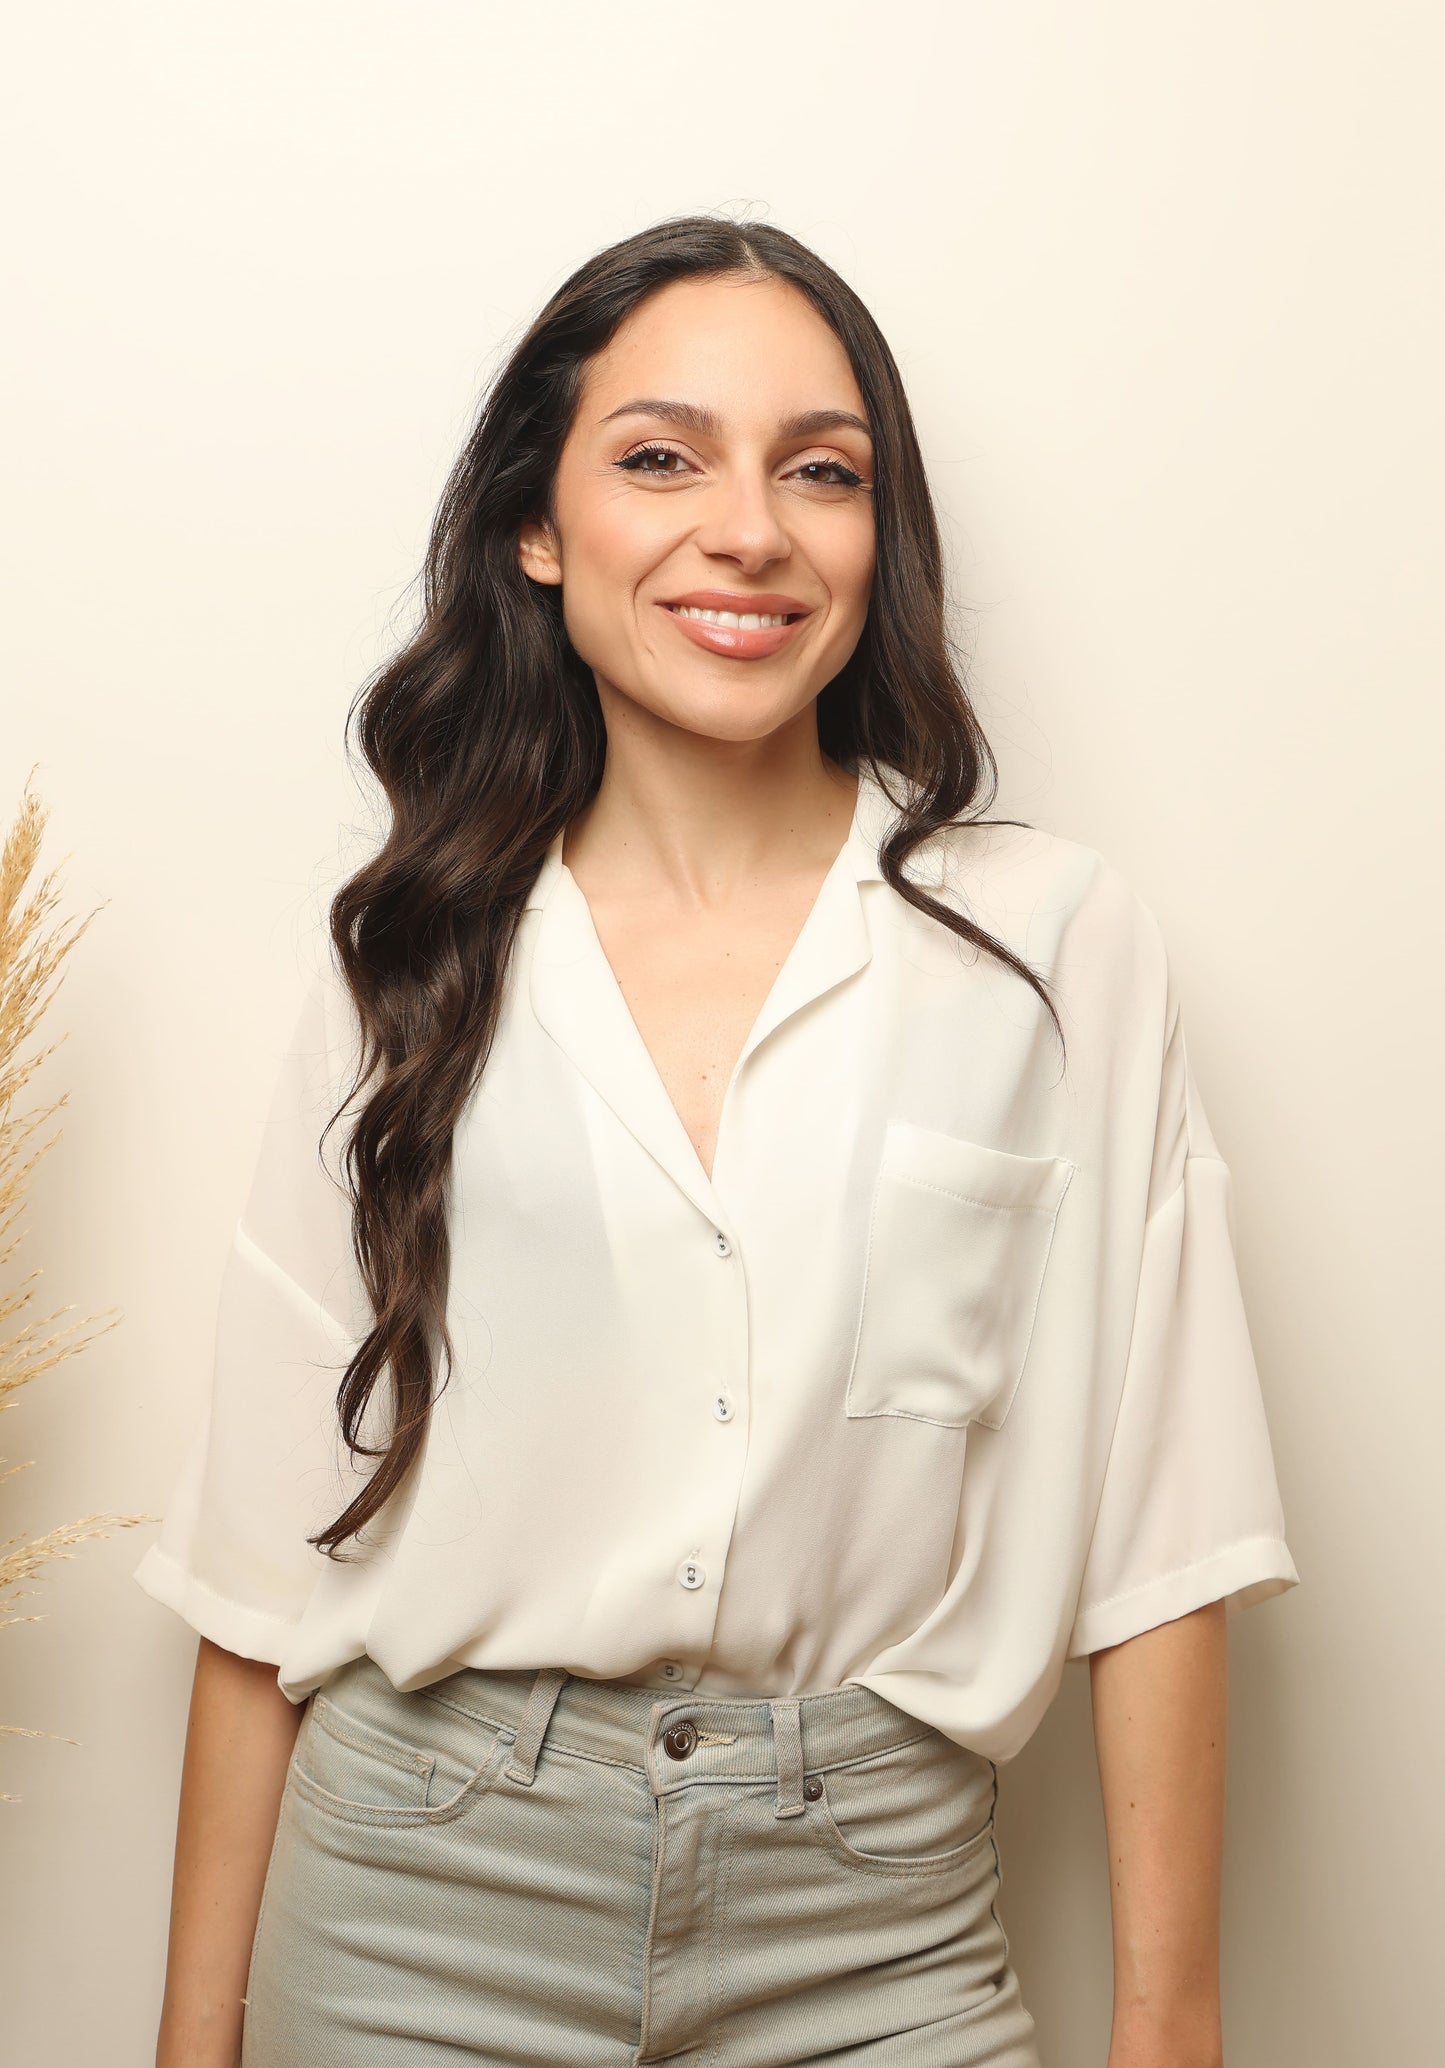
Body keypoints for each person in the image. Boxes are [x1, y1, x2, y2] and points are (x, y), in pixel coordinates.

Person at [135, 214, 1300, 2068]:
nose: (747, 528)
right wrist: (193, 2040)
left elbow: (1159, 1528)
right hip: (422, 1909)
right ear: (539, 525)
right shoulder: (408, 961)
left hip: (882, 1930)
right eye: (659, 456)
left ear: (872, 537)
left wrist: (1170, 2028)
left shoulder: (1052, 950)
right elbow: (261, 1562)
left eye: (818, 472)